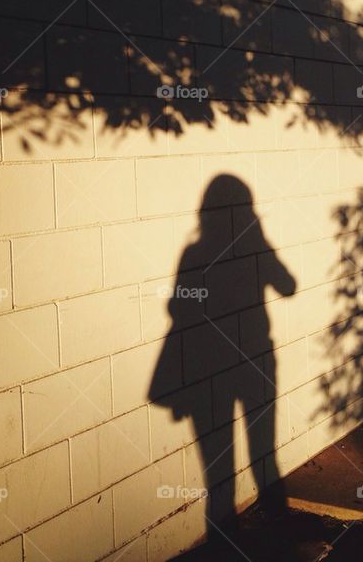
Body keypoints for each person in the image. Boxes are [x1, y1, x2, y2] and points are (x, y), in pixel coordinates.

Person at [150, 173, 297, 541]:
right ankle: (282, 540)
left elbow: (177, 307)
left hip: (211, 366)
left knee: (219, 472)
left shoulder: (194, 252)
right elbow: (288, 285)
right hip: (256, 361)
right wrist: (260, 241)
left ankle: (225, 545)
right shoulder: (254, 244)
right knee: (264, 454)